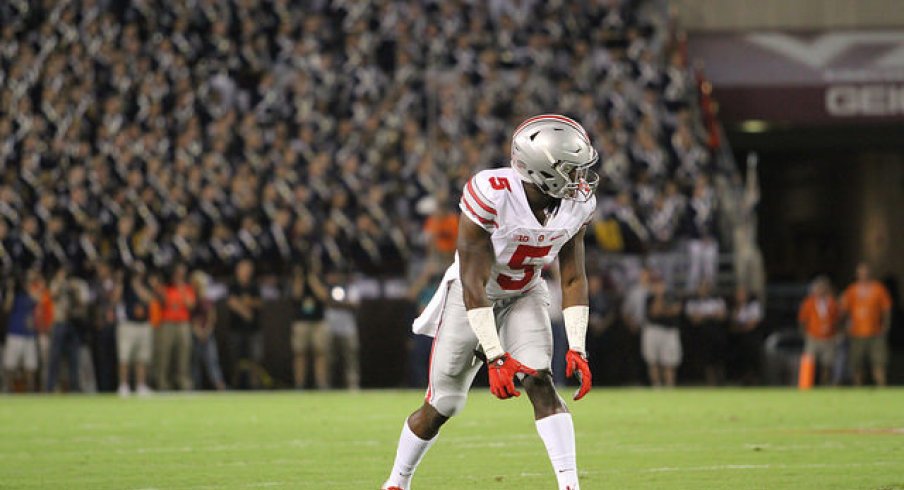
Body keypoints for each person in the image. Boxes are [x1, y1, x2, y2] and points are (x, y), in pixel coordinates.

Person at [382, 115, 598, 490]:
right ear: (541, 169)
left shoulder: (576, 205)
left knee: (540, 380)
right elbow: (472, 280)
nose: (581, 180)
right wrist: (496, 356)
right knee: (444, 404)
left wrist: (578, 346)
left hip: (525, 292)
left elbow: (574, 276)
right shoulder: (492, 192)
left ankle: (570, 485)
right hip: (472, 298)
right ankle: (397, 482)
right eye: (570, 169)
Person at [840, 263, 892, 386]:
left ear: (870, 273)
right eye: (861, 272)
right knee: (856, 363)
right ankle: (858, 388)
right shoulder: (851, 290)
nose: (864, 275)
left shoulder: (879, 289)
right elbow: (843, 311)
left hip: (875, 332)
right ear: (857, 274)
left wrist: (886, 325)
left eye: (866, 272)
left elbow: (886, 309)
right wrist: (844, 327)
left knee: (879, 361)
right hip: (857, 333)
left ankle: (881, 386)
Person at [156, 263, 195, 391]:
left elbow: (190, 304)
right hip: (167, 323)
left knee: (183, 354)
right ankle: (162, 383)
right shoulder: (166, 288)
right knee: (164, 354)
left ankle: (182, 382)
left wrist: (181, 287)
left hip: (183, 324)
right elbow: (162, 302)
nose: (180, 275)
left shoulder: (187, 288)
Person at [290, 262, 329, 390]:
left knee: (320, 353)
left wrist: (312, 279)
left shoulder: (320, 278)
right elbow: (296, 295)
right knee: (300, 353)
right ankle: (299, 384)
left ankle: (321, 383)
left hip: (318, 320)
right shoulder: (297, 278)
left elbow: (323, 296)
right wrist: (300, 278)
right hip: (301, 321)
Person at [117, 266, 155, 396]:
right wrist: (121, 282)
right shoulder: (125, 285)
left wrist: (137, 285)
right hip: (128, 324)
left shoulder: (146, 284)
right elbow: (115, 298)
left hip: (143, 324)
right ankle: (123, 385)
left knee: (142, 357)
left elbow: (148, 299)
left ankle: (141, 385)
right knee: (124, 357)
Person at [2, 271, 42, 392]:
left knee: (30, 367)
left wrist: (31, 284)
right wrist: (10, 289)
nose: (27, 284)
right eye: (25, 282)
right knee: (10, 366)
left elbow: (38, 299)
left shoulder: (30, 296)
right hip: (15, 334)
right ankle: (8, 390)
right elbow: (6, 307)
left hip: (29, 335)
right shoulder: (15, 296)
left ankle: (30, 392)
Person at [797, 276, 840, 385]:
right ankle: (807, 384)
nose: (820, 290)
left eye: (823, 288)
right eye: (818, 288)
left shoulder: (832, 303)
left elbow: (838, 319)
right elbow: (802, 320)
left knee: (827, 363)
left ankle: (824, 384)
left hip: (828, 338)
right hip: (813, 337)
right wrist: (804, 334)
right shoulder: (808, 303)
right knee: (809, 362)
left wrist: (836, 333)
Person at [643, 275, 683, 387]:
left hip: (669, 331)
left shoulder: (672, 296)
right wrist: (660, 299)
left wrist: (665, 310)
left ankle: (670, 385)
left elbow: (676, 311)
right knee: (653, 360)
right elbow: (654, 312)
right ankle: (656, 386)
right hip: (653, 330)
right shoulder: (650, 298)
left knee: (669, 361)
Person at [227, 259, 262, 389]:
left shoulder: (254, 285)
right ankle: (235, 385)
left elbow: (259, 302)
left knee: (255, 358)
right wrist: (245, 312)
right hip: (236, 328)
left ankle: (255, 385)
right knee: (235, 359)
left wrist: (247, 303)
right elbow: (231, 302)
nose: (246, 271)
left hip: (254, 329)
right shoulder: (233, 285)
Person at [686, 281, 728, 385]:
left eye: (706, 288)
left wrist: (704, 315)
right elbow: (695, 320)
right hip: (702, 336)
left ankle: (722, 381)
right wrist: (712, 315)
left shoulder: (718, 300)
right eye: (701, 288)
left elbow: (722, 316)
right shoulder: (692, 302)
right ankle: (711, 382)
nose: (703, 290)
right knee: (707, 361)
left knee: (719, 359)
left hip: (717, 335)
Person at [190, 271, 225, 391]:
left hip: (207, 333)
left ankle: (219, 385)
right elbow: (190, 316)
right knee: (194, 362)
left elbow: (212, 316)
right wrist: (197, 330)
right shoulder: (191, 297)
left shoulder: (207, 298)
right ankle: (195, 387)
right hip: (193, 333)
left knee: (212, 360)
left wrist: (206, 330)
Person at [729, 287, 763, 384]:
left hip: (752, 337)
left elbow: (752, 324)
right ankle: (741, 378)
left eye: (742, 294)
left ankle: (753, 378)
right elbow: (732, 326)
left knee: (751, 350)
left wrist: (741, 326)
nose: (740, 297)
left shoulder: (754, 306)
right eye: (738, 295)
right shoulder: (735, 308)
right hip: (738, 339)